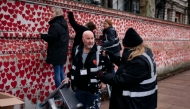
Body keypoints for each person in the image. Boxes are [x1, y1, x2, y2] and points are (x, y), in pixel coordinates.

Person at [100, 28, 157, 109]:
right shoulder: (143, 52)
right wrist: (111, 55)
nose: (124, 49)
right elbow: (125, 64)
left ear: (131, 47)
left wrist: (102, 75)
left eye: (125, 47)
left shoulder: (140, 63)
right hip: (140, 101)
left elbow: (122, 80)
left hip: (135, 103)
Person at [63, 30, 113, 109]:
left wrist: (104, 82)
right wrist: (69, 77)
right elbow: (74, 67)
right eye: (88, 39)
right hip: (79, 89)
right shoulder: (77, 49)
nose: (91, 41)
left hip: (94, 90)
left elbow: (110, 68)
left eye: (92, 38)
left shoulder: (101, 51)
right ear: (83, 39)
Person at [40, 7, 69, 89]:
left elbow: (51, 37)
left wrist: (42, 35)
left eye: (52, 12)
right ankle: (65, 90)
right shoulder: (64, 24)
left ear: (57, 13)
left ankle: (59, 91)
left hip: (56, 51)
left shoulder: (55, 25)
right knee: (61, 72)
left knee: (57, 72)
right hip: (62, 51)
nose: (51, 13)